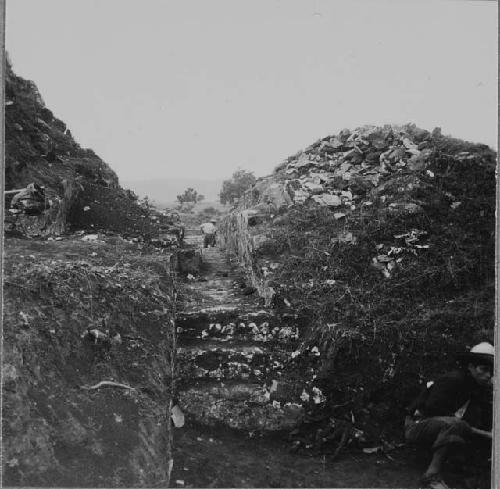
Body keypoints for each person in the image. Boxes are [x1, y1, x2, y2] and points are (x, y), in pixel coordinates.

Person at [405, 342, 494, 489]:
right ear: (470, 366)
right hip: (417, 426)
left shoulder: (477, 388)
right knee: (454, 424)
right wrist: (482, 433)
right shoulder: (454, 380)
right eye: (483, 369)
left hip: (442, 428)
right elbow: (431, 410)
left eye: (491, 372)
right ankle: (431, 476)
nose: (487, 376)